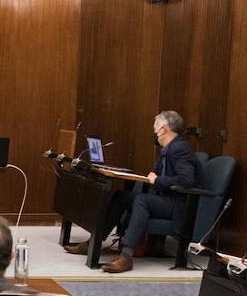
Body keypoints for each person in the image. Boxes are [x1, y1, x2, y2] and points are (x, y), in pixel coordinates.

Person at [65, 111, 204, 274]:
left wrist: (157, 180)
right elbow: (154, 173)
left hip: (178, 205)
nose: (154, 133)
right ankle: (93, 243)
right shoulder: (169, 149)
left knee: (142, 201)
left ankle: (126, 257)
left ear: (164, 129)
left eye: (155, 128)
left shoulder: (180, 149)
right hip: (165, 198)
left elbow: (186, 180)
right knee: (121, 196)